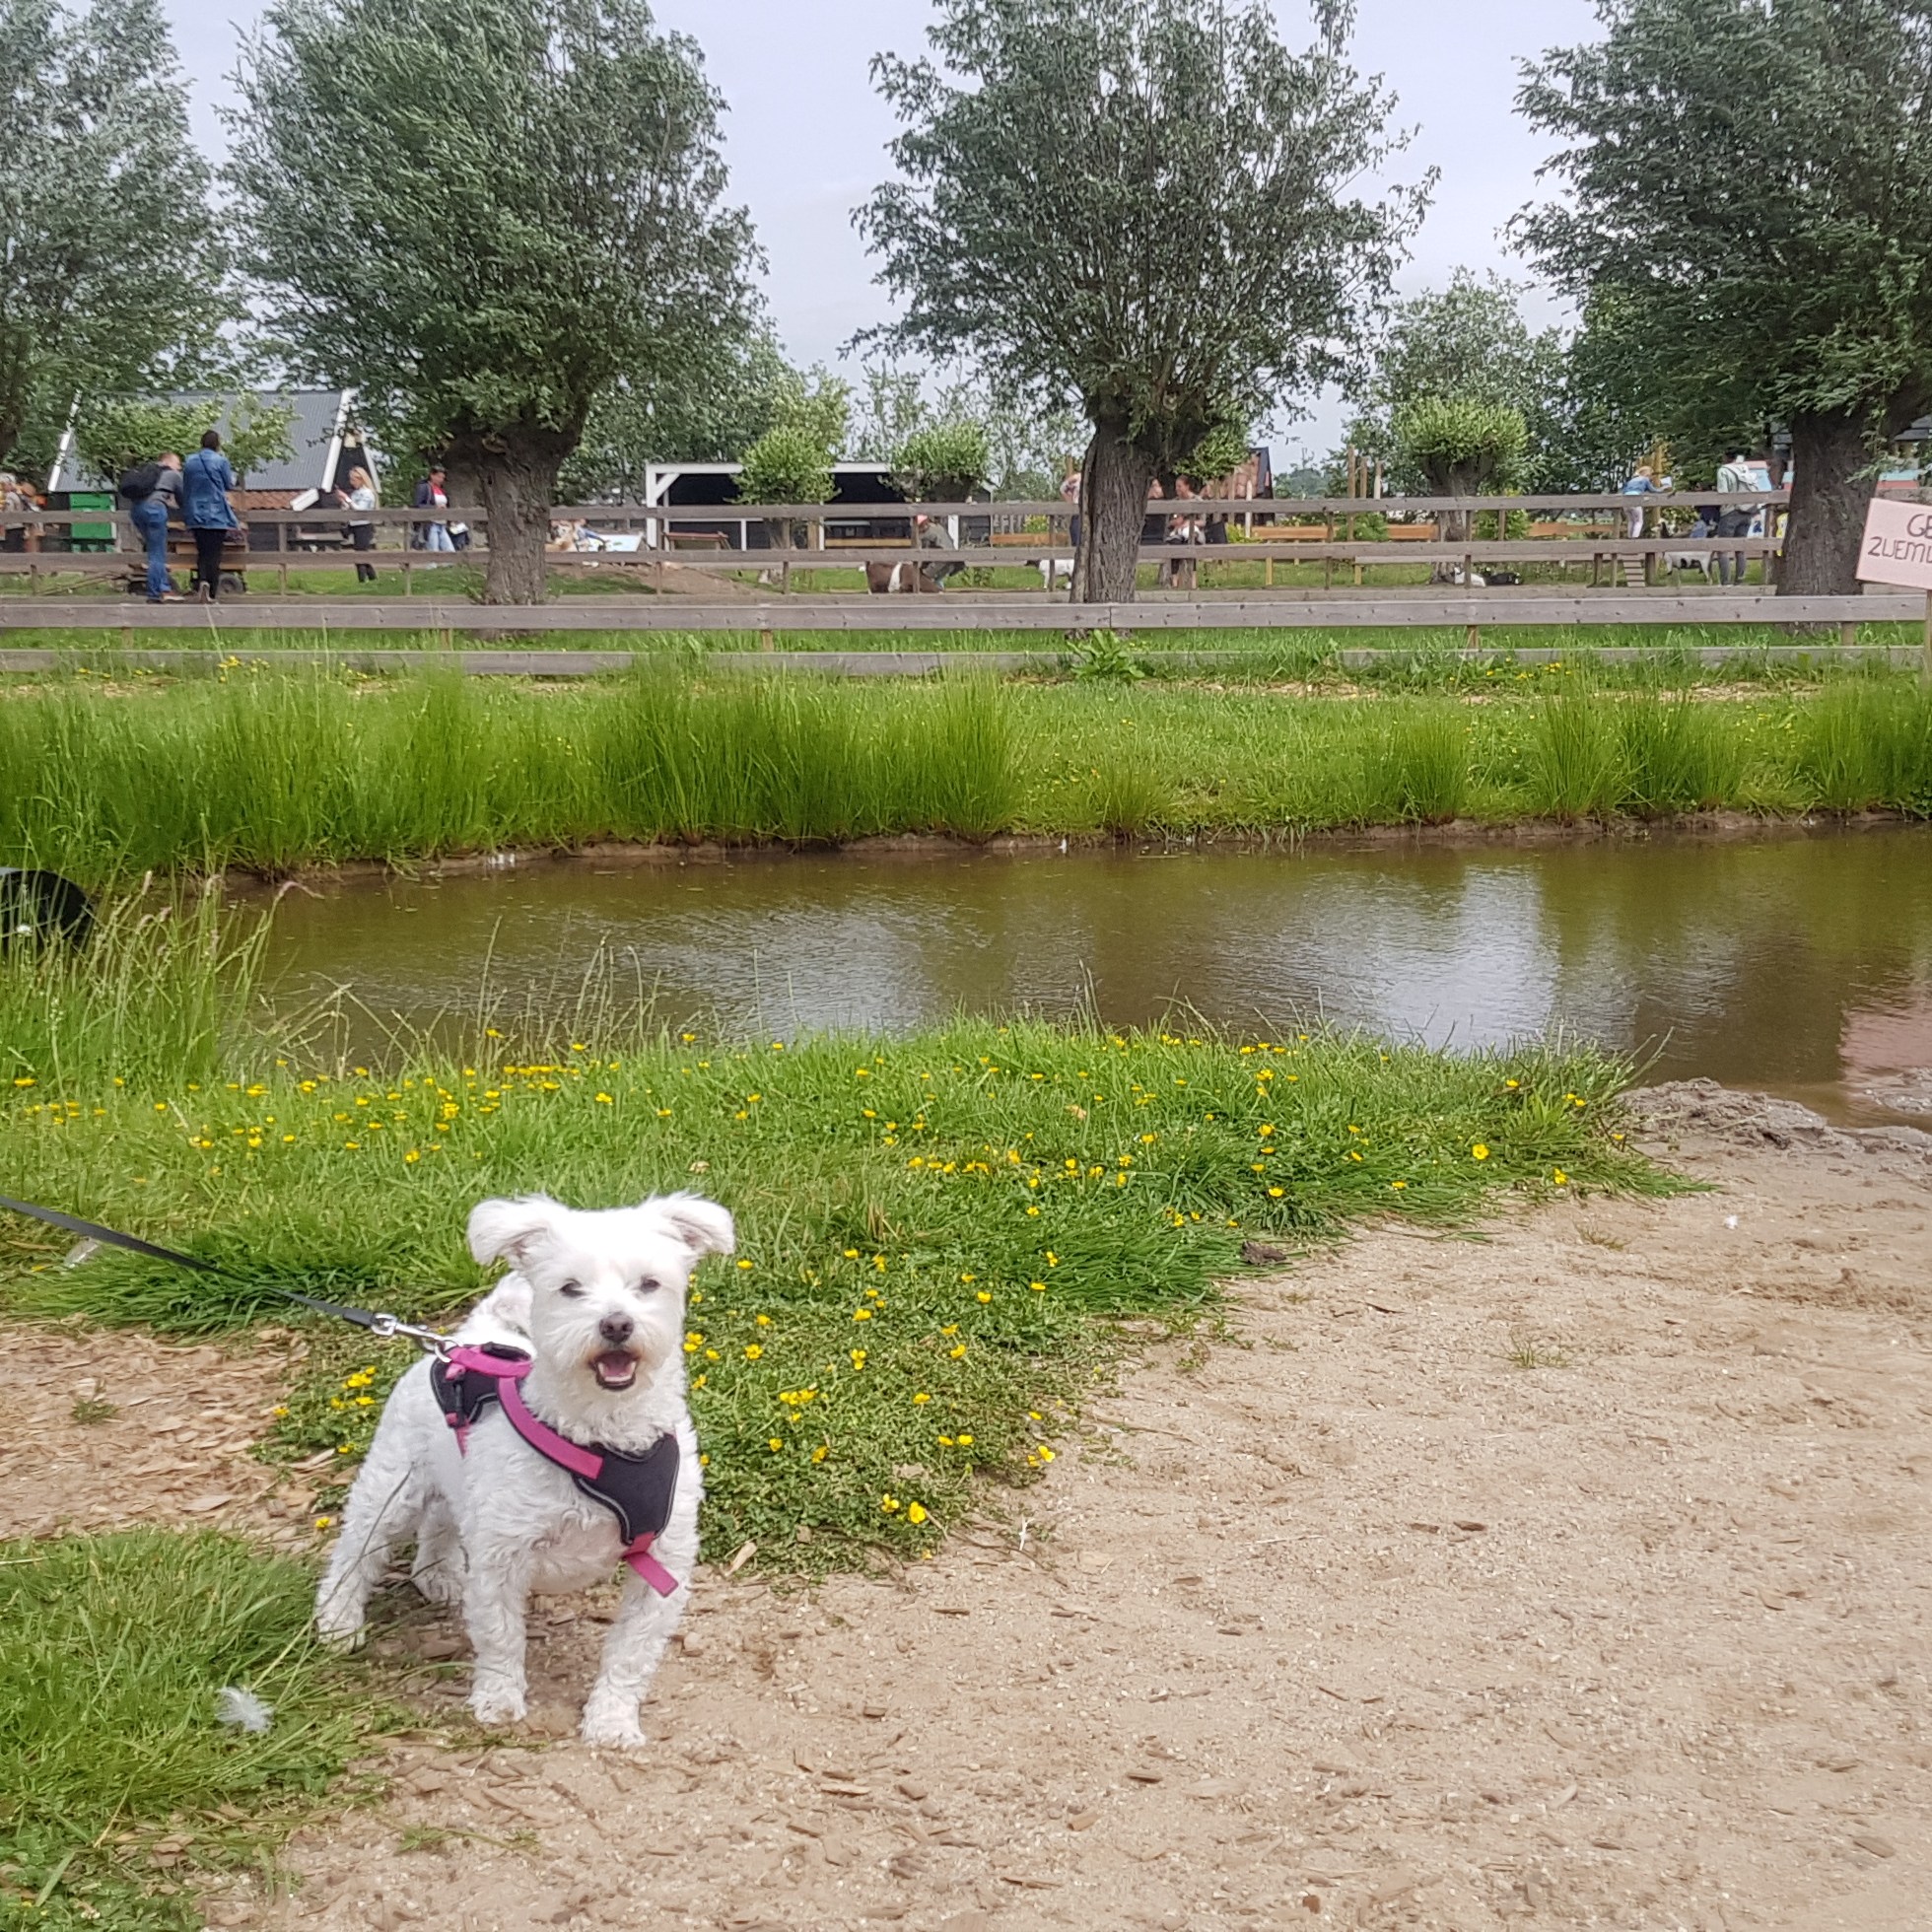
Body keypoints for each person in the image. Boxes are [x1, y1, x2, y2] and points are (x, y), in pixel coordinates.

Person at [181, 432, 240, 601]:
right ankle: (212, 591)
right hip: (216, 513)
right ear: (217, 444)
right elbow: (229, 484)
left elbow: (186, 485)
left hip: (195, 511)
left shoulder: (190, 461)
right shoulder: (221, 461)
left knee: (202, 552)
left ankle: (202, 582)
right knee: (214, 553)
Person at [123, 452, 185, 601]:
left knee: (153, 551)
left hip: (136, 511)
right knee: (157, 554)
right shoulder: (173, 475)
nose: (179, 468)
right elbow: (183, 499)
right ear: (169, 462)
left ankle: (164, 587)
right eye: (178, 464)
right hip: (155, 510)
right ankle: (156, 593)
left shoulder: (147, 471)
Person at [1714, 448, 1756, 586]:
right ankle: (1740, 580)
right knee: (1740, 547)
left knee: (1723, 548)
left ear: (1725, 456)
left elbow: (1723, 492)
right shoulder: (1744, 468)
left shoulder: (1723, 470)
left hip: (1730, 511)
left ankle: (1726, 582)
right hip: (1747, 510)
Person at [343, 466, 379, 582]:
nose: (351, 483)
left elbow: (360, 509)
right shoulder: (356, 493)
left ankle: (364, 578)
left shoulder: (367, 493)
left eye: (353, 480)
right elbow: (351, 507)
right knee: (359, 552)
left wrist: (347, 500)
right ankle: (370, 578)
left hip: (364, 525)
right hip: (354, 525)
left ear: (361, 479)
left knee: (361, 553)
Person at [413, 466, 453, 551]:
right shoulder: (424, 487)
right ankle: (432, 564)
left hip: (442, 523)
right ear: (432, 475)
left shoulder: (442, 490)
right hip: (431, 524)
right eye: (439, 477)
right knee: (433, 551)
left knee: (450, 550)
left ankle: (449, 564)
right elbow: (418, 505)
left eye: (443, 477)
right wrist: (434, 508)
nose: (441, 479)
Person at [1622, 463, 1656, 540]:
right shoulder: (1645, 479)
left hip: (1625, 501)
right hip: (1635, 500)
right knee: (1639, 521)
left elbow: (1623, 490)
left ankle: (1629, 537)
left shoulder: (1631, 480)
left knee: (1631, 521)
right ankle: (1635, 539)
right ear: (1648, 474)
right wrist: (1662, 489)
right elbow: (1653, 490)